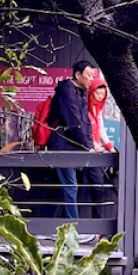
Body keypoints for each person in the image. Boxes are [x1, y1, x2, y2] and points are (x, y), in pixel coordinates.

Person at [46, 60, 96, 219]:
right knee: (70, 186)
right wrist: (88, 146)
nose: (91, 79)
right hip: (63, 145)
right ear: (78, 74)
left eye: (93, 76)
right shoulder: (67, 92)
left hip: (73, 146)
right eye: (89, 75)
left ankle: (54, 227)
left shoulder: (81, 93)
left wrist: (90, 143)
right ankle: (73, 227)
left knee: (68, 187)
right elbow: (74, 122)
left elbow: (85, 122)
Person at [81, 77, 114, 218]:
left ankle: (97, 223)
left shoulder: (97, 109)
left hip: (96, 151)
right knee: (92, 187)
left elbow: (100, 130)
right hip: (86, 151)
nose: (100, 97)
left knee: (96, 188)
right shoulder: (83, 107)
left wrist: (108, 146)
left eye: (102, 95)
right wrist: (92, 143)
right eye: (97, 93)